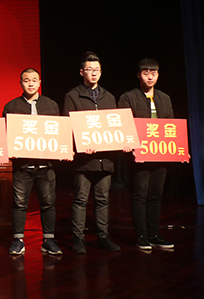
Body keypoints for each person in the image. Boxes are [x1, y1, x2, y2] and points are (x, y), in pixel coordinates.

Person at [63, 51, 121, 254]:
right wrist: (79, 143)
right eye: (89, 69)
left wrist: (123, 141)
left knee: (103, 200)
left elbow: (116, 126)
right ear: (82, 72)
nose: (94, 73)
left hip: (105, 160)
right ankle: (78, 238)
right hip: (84, 161)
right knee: (80, 200)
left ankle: (103, 237)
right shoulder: (73, 96)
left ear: (101, 72)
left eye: (97, 70)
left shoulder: (109, 97)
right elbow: (68, 126)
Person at [2, 68, 62, 256]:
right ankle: (18, 240)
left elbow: (59, 132)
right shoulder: (11, 106)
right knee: (19, 204)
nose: (30, 83)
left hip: (46, 166)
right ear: (20, 83)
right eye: (26, 80)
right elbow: (5, 134)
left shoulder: (51, 105)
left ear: (39, 83)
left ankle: (49, 240)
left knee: (48, 204)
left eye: (34, 80)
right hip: (23, 166)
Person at [118, 58, 175, 250]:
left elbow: (171, 127)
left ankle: (154, 234)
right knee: (140, 194)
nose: (150, 77)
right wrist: (127, 143)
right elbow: (124, 124)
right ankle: (141, 235)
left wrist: (179, 150)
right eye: (146, 73)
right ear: (139, 75)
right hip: (139, 155)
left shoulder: (165, 98)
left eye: (154, 73)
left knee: (156, 195)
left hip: (160, 154)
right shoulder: (128, 97)